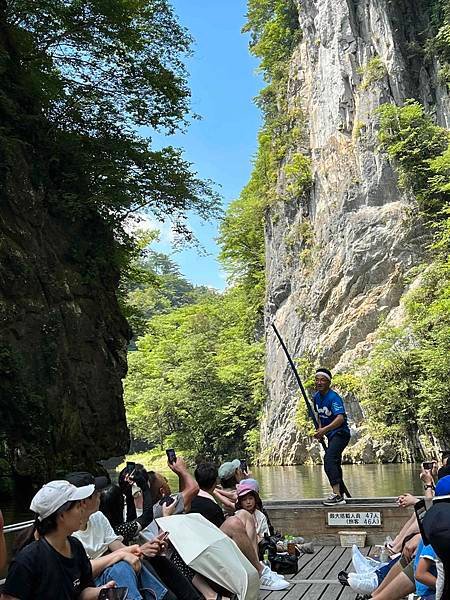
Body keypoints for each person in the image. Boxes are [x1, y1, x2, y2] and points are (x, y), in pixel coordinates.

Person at [1, 480, 117, 599]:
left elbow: (81, 592)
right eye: (78, 506)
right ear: (61, 515)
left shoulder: (75, 546)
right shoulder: (27, 561)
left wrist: (101, 591)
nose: (83, 509)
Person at [67, 472, 172, 600]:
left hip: (115, 569)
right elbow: (145, 518)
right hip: (95, 580)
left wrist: (139, 550)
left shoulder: (98, 517)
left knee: (145, 561)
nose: (100, 494)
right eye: (95, 493)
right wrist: (123, 554)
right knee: (121, 567)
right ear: (82, 502)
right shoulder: (70, 533)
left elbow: (119, 547)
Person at [188, 461, 289, 592]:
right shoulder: (209, 506)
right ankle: (259, 570)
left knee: (244, 515)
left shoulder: (195, 500)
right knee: (235, 523)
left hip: (206, 545)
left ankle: (257, 567)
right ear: (215, 481)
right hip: (211, 552)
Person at [100, 475, 203, 600]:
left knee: (159, 560)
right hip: (121, 568)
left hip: (130, 559)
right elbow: (147, 517)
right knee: (160, 560)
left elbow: (132, 515)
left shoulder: (114, 524)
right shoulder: (120, 529)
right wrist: (144, 487)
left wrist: (127, 490)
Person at [313, 367, 351, 505]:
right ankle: (341, 493)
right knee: (334, 462)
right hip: (330, 435)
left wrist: (325, 430)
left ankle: (336, 495)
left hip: (340, 434)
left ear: (328, 382)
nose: (319, 383)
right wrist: (320, 430)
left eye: (322, 380)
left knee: (329, 459)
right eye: (317, 380)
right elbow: (319, 415)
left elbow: (340, 418)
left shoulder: (334, 398)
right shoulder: (316, 397)